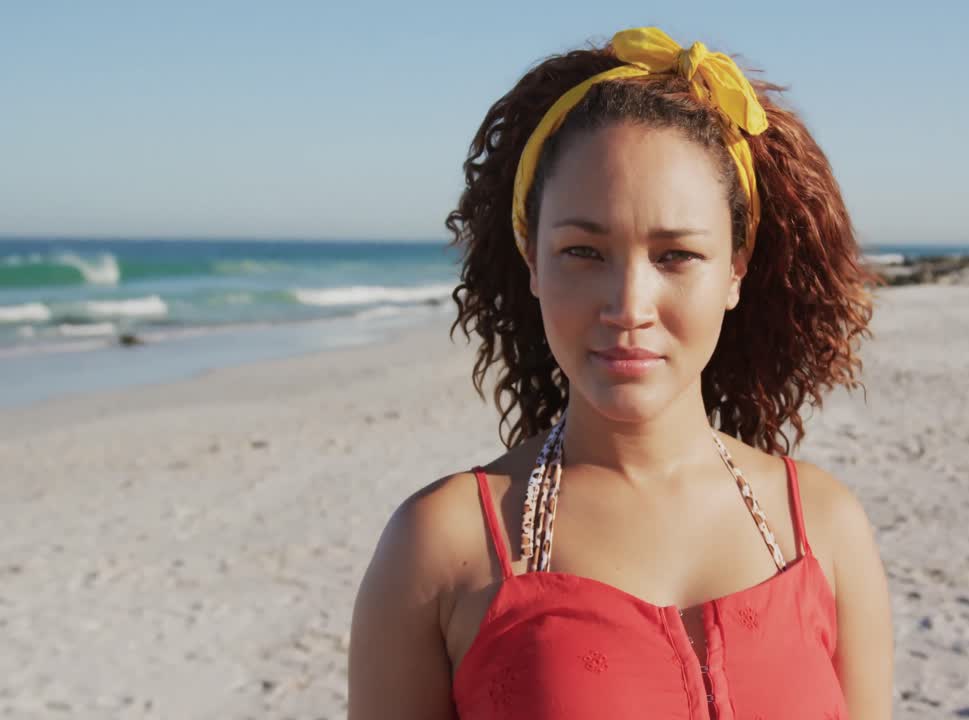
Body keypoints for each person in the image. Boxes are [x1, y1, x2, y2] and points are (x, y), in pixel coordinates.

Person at [349, 26, 894, 719]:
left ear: (736, 267)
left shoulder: (824, 527)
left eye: (674, 256)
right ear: (532, 261)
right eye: (583, 251)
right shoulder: (441, 546)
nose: (628, 306)